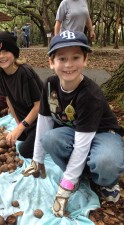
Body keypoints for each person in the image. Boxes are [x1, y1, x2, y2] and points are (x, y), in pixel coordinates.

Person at [23, 30, 124, 217]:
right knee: (50, 138)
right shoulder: (49, 85)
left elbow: (81, 145)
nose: (69, 64)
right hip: (76, 131)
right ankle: (80, 175)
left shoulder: (89, 95)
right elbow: (44, 122)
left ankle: (107, 182)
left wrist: (64, 188)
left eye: (75, 57)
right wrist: (37, 160)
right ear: (51, 63)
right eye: (62, 59)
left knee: (106, 161)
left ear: (85, 60)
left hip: (102, 134)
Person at [0, 31, 43, 158]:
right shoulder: (0, 74)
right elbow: (9, 101)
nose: (1, 56)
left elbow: (39, 105)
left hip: (42, 120)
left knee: (25, 151)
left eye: (5, 51)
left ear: (14, 52)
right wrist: (19, 124)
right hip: (26, 122)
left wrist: (21, 127)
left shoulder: (25, 72)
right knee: (13, 141)